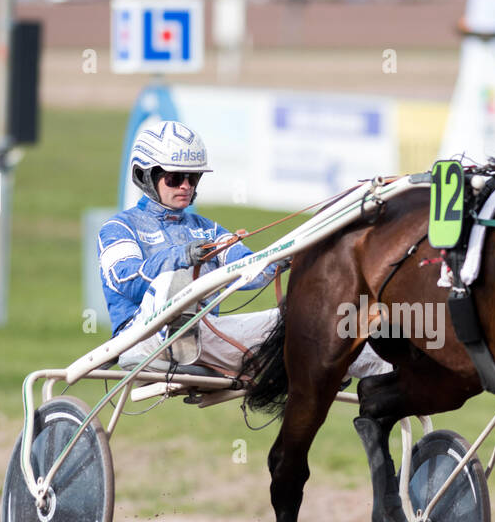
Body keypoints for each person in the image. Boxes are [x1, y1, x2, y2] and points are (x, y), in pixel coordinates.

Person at [98, 120, 390, 379]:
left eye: (193, 178)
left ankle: (392, 370)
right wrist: (182, 256)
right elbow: (126, 280)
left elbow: (250, 270)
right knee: (169, 282)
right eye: (175, 178)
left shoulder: (207, 229)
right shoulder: (119, 228)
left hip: (208, 337)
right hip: (141, 338)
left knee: (303, 320)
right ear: (144, 176)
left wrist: (288, 256)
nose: (186, 186)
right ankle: (177, 342)